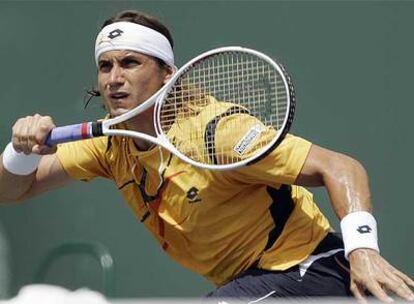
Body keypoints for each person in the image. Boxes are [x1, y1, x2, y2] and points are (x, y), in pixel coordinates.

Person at [0, 9, 413, 303]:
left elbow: (340, 167)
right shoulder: (111, 146)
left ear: (166, 74)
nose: (114, 79)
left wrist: (363, 253)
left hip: (307, 270)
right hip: (247, 285)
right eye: (105, 66)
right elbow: (13, 191)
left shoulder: (218, 132)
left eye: (129, 63)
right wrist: (19, 152)